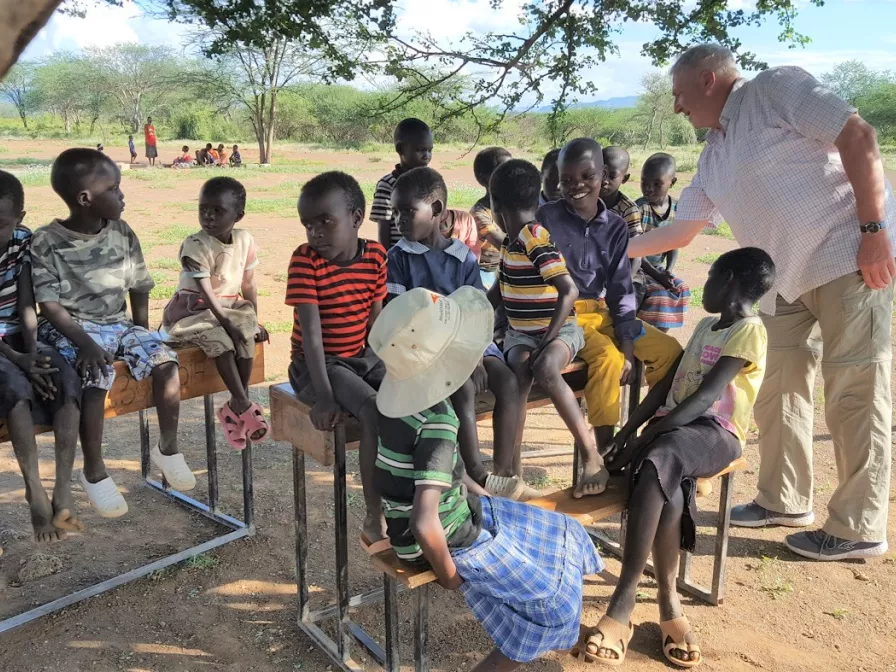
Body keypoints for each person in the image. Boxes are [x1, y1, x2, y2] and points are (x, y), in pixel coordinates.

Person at [628, 43, 896, 561]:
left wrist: (874, 232)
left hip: (846, 257)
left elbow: (858, 135)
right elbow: (682, 231)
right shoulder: (714, 153)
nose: (677, 106)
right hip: (780, 280)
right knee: (776, 392)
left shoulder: (775, 89)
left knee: (855, 393)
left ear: (708, 80)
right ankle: (783, 499)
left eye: (680, 94)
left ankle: (858, 526)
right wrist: (609, 249)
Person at [369, 286, 603, 672]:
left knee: (563, 528)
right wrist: (449, 577)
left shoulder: (398, 406)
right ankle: (533, 642)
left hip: (442, 514)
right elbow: (425, 522)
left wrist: (488, 498)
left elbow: (445, 474)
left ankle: (558, 628)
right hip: (443, 536)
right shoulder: (439, 422)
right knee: (550, 603)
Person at [578, 248, 774, 669]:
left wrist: (640, 443)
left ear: (731, 281)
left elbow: (705, 397)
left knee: (658, 459)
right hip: (674, 430)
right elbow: (668, 385)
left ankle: (624, 600)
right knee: (669, 481)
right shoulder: (706, 325)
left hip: (716, 433)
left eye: (712, 275)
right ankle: (669, 602)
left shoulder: (749, 331)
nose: (705, 284)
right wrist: (627, 433)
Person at [31, 148, 193, 519]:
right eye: (114, 188)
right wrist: (86, 345)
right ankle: (94, 470)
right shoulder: (47, 241)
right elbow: (49, 306)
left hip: (118, 323)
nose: (122, 196)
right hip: (74, 327)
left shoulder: (121, 231)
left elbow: (139, 284)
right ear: (85, 199)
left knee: (165, 361)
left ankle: (167, 448)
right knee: (97, 374)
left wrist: (142, 331)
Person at [386, 167, 530, 500]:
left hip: (470, 342)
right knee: (462, 387)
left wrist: (475, 357)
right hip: (429, 348)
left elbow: (476, 309)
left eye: (407, 211)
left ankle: (503, 472)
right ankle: (476, 471)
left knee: (508, 382)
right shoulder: (399, 258)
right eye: (395, 213)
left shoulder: (462, 255)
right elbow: (401, 317)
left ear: (436, 210)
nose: (398, 220)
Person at [538, 138, 682, 459]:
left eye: (587, 176)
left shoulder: (616, 226)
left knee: (670, 352)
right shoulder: (546, 217)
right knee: (608, 359)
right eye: (567, 179)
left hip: (604, 311)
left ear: (604, 176)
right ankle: (606, 452)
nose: (577, 186)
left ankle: (655, 430)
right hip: (566, 314)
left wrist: (628, 342)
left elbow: (621, 286)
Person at [490, 159, 609, 498]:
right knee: (515, 377)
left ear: (495, 206)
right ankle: (510, 472)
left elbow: (569, 291)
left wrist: (548, 339)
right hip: (521, 334)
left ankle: (591, 456)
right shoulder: (509, 243)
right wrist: (471, 314)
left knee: (544, 367)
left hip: (560, 330)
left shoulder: (534, 238)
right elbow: (497, 292)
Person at [288, 171, 388, 548]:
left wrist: (385, 365)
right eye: (307, 225)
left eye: (325, 222)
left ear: (356, 218)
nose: (314, 233)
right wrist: (325, 397)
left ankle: (427, 496)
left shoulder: (375, 255)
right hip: (315, 366)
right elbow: (312, 338)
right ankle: (375, 515)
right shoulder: (305, 261)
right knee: (373, 410)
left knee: (414, 399)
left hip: (360, 357)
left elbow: (376, 321)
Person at [0, 170, 82, 542]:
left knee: (63, 378)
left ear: (19, 217)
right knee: (15, 391)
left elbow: (26, 304)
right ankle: (34, 491)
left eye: (1, 224)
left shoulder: (22, 241)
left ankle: (62, 488)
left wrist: (33, 354)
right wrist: (18, 360)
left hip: (19, 333)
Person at [163, 177, 269, 450]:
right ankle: (243, 404)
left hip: (229, 307)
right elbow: (206, 293)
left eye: (218, 211)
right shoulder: (195, 244)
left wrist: (253, 322)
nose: (208, 216)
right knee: (222, 340)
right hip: (193, 311)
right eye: (203, 209)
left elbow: (249, 284)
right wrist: (228, 324)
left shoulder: (245, 240)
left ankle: (234, 405)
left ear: (238, 216)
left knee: (246, 335)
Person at [634, 153, 691, 331]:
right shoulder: (639, 209)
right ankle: (644, 335)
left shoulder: (678, 209)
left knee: (681, 289)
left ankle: (661, 335)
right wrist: (659, 277)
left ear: (672, 182)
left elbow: (674, 244)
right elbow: (635, 251)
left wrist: (668, 271)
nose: (648, 188)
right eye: (644, 182)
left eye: (657, 184)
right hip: (636, 266)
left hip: (657, 269)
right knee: (658, 293)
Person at [370, 118, 434, 251]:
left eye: (429, 150)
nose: (426, 156)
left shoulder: (431, 182)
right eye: (420, 150)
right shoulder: (387, 185)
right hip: (400, 256)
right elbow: (383, 228)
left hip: (427, 256)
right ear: (400, 149)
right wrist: (387, 258)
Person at [470, 147, 513, 289]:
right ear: (485, 179)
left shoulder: (514, 206)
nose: (511, 176)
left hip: (508, 265)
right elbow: (502, 244)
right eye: (504, 172)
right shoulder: (479, 213)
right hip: (486, 270)